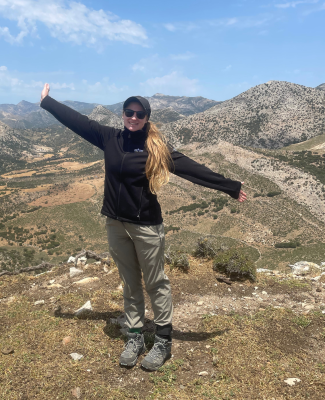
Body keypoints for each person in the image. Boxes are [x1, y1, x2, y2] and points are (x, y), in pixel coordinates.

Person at [39, 83, 247, 371]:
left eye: (139, 114)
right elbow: (78, 121)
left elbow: (191, 169)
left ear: (147, 117)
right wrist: (48, 102)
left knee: (155, 283)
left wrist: (230, 187)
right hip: (115, 223)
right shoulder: (109, 137)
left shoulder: (157, 148)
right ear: (122, 113)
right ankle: (135, 336)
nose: (133, 117)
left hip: (147, 227)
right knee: (130, 282)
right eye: (129, 112)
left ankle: (163, 340)